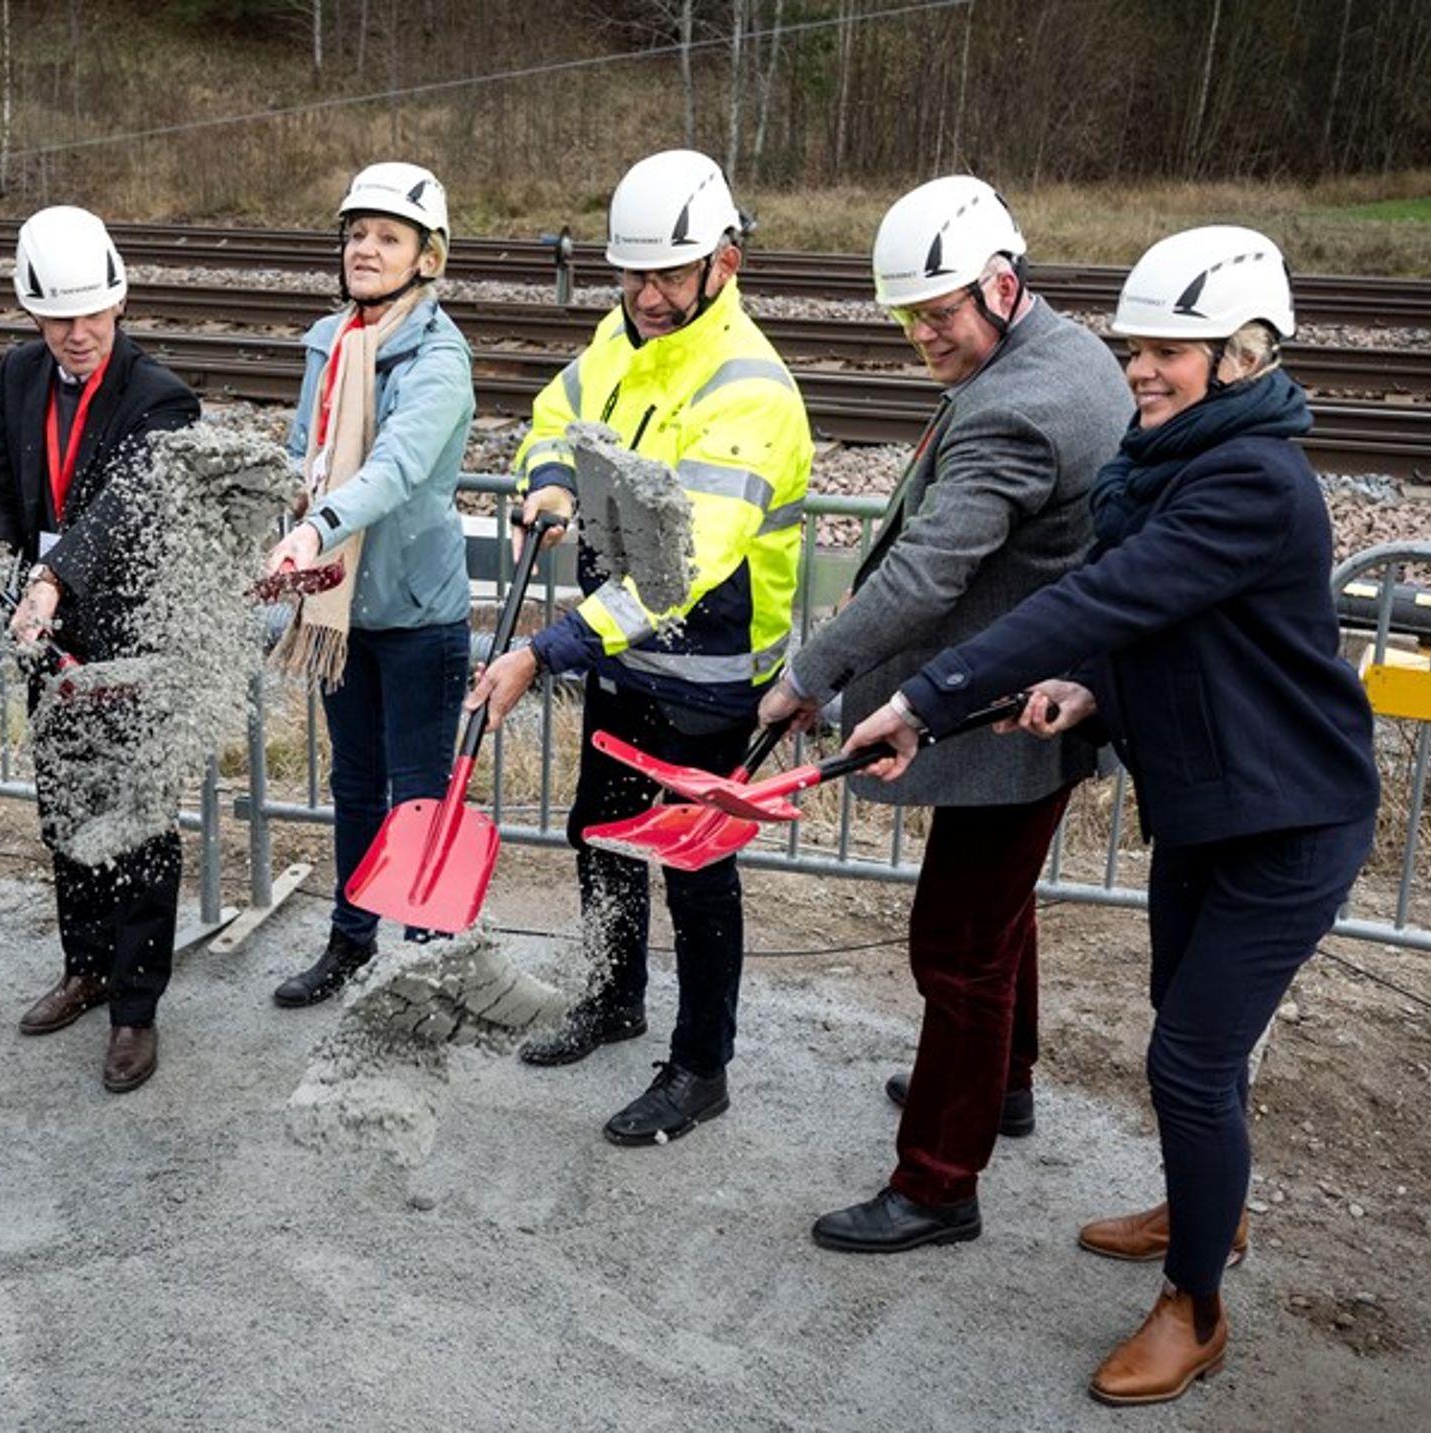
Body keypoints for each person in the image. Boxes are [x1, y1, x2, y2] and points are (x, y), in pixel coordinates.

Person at [838, 226, 1378, 1405]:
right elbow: (1154, 629)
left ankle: (1195, 1303)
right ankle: (1204, 1209)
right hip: (1207, 802)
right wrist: (1087, 686)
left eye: (1169, 353)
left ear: (1242, 353)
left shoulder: (1249, 479)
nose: (1139, 370)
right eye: (1135, 348)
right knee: (1184, 1029)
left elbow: (1115, 590)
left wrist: (924, 699)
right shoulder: (1173, 457)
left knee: (1187, 1058)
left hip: (1288, 819)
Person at [759, 175, 1130, 1248]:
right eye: (907, 318)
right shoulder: (1061, 351)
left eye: (938, 315)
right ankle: (1002, 1082)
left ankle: (935, 1181)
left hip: (1004, 718)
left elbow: (926, 571)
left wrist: (808, 675)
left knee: (955, 945)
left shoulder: (1020, 404)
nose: (922, 336)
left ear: (1002, 285)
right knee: (994, 917)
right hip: (1031, 700)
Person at [463, 150, 811, 1146]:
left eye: (666, 274)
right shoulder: (620, 339)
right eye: (631, 274)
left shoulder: (750, 388)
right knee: (601, 834)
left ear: (724, 264)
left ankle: (701, 1066)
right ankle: (613, 996)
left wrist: (544, 649)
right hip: (622, 660)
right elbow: (550, 415)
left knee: (696, 873)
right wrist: (546, 479)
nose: (646, 295)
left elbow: (676, 566)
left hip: (707, 675)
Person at [0, 205, 201, 1094]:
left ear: (120, 300)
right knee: (66, 811)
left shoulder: (160, 398)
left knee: (139, 823)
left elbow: (125, 512)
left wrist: (55, 575)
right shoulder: (20, 373)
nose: (75, 334)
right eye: (57, 317)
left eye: (91, 314)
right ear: (32, 314)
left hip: (130, 642)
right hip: (47, 635)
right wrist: (5, 572)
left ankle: (136, 1009)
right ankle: (88, 964)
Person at [260, 162, 475, 1007]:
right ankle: (350, 943)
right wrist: (272, 505)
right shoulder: (331, 341)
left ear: (429, 257)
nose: (366, 249)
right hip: (338, 611)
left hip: (418, 613)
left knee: (417, 799)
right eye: (357, 234)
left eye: (389, 236)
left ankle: (423, 969)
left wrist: (316, 527)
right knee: (354, 784)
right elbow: (301, 450)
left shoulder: (440, 357)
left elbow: (394, 468)